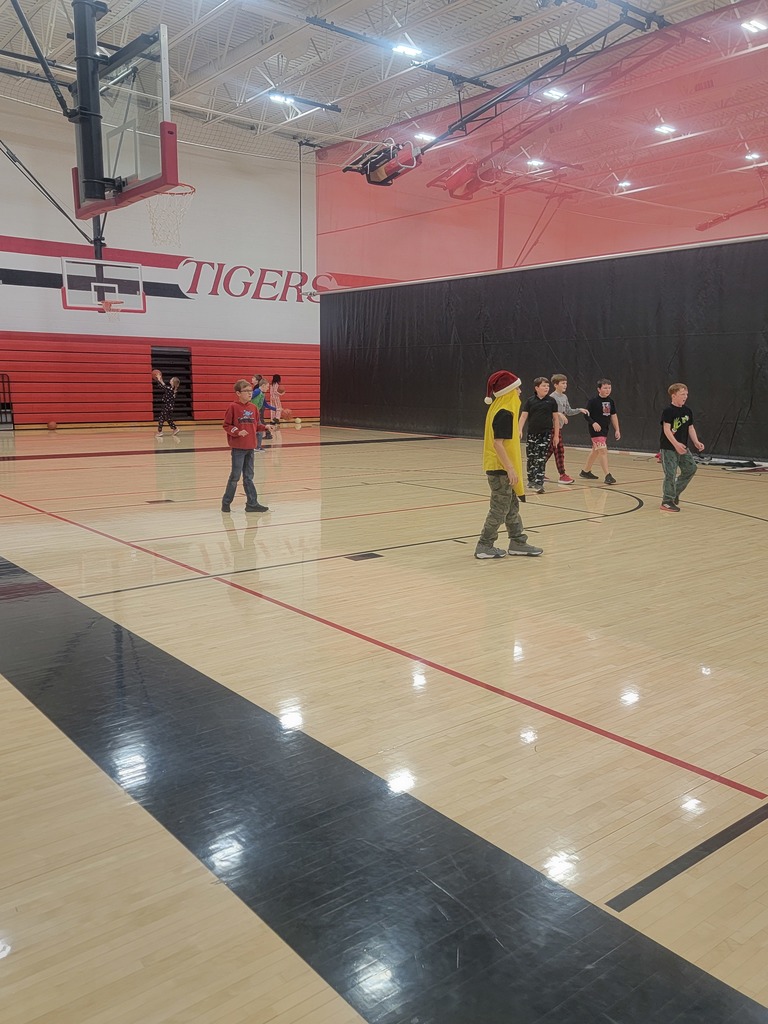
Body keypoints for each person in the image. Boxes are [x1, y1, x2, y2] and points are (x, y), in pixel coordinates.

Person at [475, 370, 543, 560]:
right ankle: (484, 545)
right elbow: (498, 444)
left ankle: (518, 542)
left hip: (501, 467)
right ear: (508, 391)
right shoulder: (504, 412)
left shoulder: (498, 408)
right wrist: (511, 468)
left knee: (511, 506)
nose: (520, 392)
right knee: (499, 508)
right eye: (517, 388)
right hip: (501, 468)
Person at [221, 380, 269, 513]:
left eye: (250, 391)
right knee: (235, 477)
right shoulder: (233, 407)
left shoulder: (253, 408)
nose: (249, 393)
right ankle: (226, 503)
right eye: (246, 391)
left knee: (249, 477)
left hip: (250, 447)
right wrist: (237, 431)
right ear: (238, 393)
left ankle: (252, 504)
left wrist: (266, 427)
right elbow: (226, 425)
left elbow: (256, 425)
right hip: (238, 448)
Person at [659, 383, 704, 512]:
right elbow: (666, 430)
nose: (685, 397)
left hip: (683, 448)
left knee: (691, 468)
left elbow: (690, 427)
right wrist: (676, 444)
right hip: (669, 448)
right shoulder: (668, 411)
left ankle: (674, 493)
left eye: (686, 394)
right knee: (670, 474)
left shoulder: (687, 411)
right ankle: (667, 501)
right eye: (682, 394)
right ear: (674, 396)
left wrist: (696, 442)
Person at [518, 377, 560, 494]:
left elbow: (556, 419)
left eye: (547, 386)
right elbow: (523, 416)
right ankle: (531, 479)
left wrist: (556, 436)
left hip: (545, 434)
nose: (546, 388)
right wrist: (519, 430)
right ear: (536, 388)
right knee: (531, 457)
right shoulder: (530, 401)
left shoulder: (551, 401)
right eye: (543, 386)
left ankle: (539, 483)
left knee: (541, 458)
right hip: (532, 434)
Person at [547, 374, 588, 484]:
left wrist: (579, 410)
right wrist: (559, 414)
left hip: (559, 428)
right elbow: (549, 412)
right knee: (559, 451)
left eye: (566, 383)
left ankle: (537, 470)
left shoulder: (564, 397)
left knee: (548, 451)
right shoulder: (551, 397)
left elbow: (568, 411)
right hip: (551, 428)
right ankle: (562, 475)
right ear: (556, 385)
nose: (565, 385)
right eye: (563, 383)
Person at [580, 378, 620, 484]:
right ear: (599, 389)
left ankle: (585, 471)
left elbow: (613, 415)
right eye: (605, 388)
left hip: (605, 429)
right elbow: (586, 415)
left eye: (609, 388)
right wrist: (593, 423)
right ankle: (608, 475)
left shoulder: (610, 401)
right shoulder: (593, 401)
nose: (608, 390)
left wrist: (617, 429)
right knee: (602, 450)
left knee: (595, 451)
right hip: (595, 430)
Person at [151, 370, 180, 439]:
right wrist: (160, 379)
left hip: (167, 407)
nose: (170, 380)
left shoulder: (170, 389)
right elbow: (163, 385)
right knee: (168, 419)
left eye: (171, 380)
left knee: (161, 418)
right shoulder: (171, 389)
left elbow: (163, 386)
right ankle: (175, 429)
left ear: (173, 383)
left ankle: (160, 432)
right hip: (169, 407)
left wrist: (158, 379)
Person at [250, 374, 275, 448]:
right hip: (251, 413)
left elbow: (266, 405)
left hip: (256, 413)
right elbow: (249, 398)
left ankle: (257, 447)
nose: (268, 389)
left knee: (259, 431)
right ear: (263, 385)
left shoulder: (262, 394)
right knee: (256, 431)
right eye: (267, 387)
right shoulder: (257, 391)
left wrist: (276, 409)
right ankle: (254, 447)